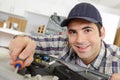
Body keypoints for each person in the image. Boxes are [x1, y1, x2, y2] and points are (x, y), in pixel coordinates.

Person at [9, 2, 120, 80]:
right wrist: (21, 41)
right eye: (73, 32)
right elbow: (26, 40)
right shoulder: (64, 43)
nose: (79, 40)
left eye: (87, 30)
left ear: (102, 33)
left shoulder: (117, 58)